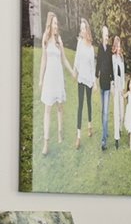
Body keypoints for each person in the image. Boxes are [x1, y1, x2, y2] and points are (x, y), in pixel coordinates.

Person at [38, 11, 68, 156]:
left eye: (57, 24)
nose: (57, 26)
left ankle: (60, 132)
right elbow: (43, 59)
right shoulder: (45, 38)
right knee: (47, 110)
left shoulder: (58, 40)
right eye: (55, 23)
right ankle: (46, 143)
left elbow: (63, 59)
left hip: (58, 78)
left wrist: (72, 72)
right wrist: (40, 79)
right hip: (49, 78)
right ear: (50, 24)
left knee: (60, 107)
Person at [72, 18, 95, 150]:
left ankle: (90, 126)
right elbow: (76, 58)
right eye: (80, 29)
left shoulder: (91, 48)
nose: (82, 31)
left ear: (87, 30)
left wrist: (94, 82)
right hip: (81, 78)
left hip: (89, 79)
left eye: (83, 28)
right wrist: (75, 71)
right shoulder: (79, 43)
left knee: (88, 103)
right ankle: (79, 136)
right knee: (80, 105)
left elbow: (92, 66)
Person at [96, 25, 116, 151]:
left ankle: (103, 141)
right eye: (105, 34)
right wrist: (94, 77)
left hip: (108, 85)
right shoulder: (99, 48)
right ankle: (106, 131)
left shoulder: (109, 49)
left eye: (108, 34)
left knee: (105, 113)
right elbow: (98, 63)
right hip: (101, 84)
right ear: (102, 35)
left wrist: (113, 81)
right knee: (103, 111)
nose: (107, 36)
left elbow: (112, 66)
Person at [109, 36, 127, 149]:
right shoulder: (113, 58)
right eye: (118, 45)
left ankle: (120, 129)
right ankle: (116, 138)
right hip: (115, 88)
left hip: (121, 88)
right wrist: (113, 87)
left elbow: (123, 74)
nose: (119, 48)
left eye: (120, 46)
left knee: (122, 113)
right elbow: (112, 74)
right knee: (116, 113)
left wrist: (124, 87)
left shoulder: (121, 58)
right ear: (115, 46)